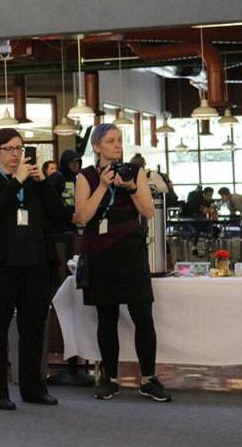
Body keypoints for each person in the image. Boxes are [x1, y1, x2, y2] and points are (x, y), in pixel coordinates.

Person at [0, 128, 71, 410]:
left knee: (34, 327)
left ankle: (33, 387)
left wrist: (45, 184)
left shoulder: (37, 183)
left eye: (19, 148)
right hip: (0, 268)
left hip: (36, 265)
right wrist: (16, 182)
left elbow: (60, 216)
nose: (16, 154)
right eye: (9, 149)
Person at [73, 124, 171, 403]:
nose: (117, 146)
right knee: (107, 317)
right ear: (97, 146)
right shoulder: (86, 176)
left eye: (120, 141)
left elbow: (148, 212)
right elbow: (82, 217)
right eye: (111, 141)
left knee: (143, 315)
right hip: (102, 252)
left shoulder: (135, 172)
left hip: (131, 250)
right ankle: (110, 377)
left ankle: (149, 378)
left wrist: (129, 188)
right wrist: (103, 186)